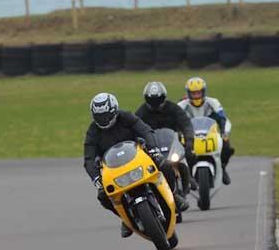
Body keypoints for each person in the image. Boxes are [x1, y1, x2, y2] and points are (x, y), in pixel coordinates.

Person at [83, 92, 170, 238]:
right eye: (99, 117)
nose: (103, 120)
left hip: (138, 158)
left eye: (106, 115)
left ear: (114, 111)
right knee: (103, 196)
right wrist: (96, 179)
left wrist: (154, 150)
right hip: (113, 169)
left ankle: (174, 195)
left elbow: (145, 130)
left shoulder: (127, 117)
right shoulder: (93, 131)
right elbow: (88, 159)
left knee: (165, 165)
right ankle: (125, 217)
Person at [135, 81, 195, 210]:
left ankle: (188, 180)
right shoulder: (141, 112)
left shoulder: (173, 108)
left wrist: (189, 139)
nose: (156, 104)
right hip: (152, 148)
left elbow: (186, 123)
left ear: (164, 97)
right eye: (152, 100)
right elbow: (134, 129)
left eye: (158, 100)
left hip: (173, 143)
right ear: (147, 99)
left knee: (188, 154)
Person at [178, 77, 234, 185]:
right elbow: (174, 122)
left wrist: (224, 133)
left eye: (198, 93)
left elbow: (224, 119)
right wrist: (178, 134)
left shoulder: (213, 102)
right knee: (179, 151)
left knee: (226, 146)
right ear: (188, 93)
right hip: (190, 135)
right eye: (193, 94)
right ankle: (187, 174)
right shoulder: (181, 105)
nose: (196, 96)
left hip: (210, 134)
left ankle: (222, 167)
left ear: (203, 92)